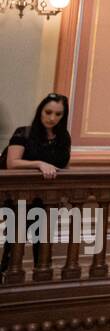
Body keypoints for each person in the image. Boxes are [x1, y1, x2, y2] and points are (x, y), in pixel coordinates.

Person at [1, 94, 72, 277]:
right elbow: (12, 162)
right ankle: (7, 277)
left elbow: (63, 165)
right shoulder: (23, 132)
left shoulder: (63, 137)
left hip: (47, 198)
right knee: (14, 240)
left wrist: (64, 193)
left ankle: (41, 280)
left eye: (58, 114)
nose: (52, 118)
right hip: (19, 197)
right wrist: (39, 164)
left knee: (43, 241)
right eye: (48, 112)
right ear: (40, 111)